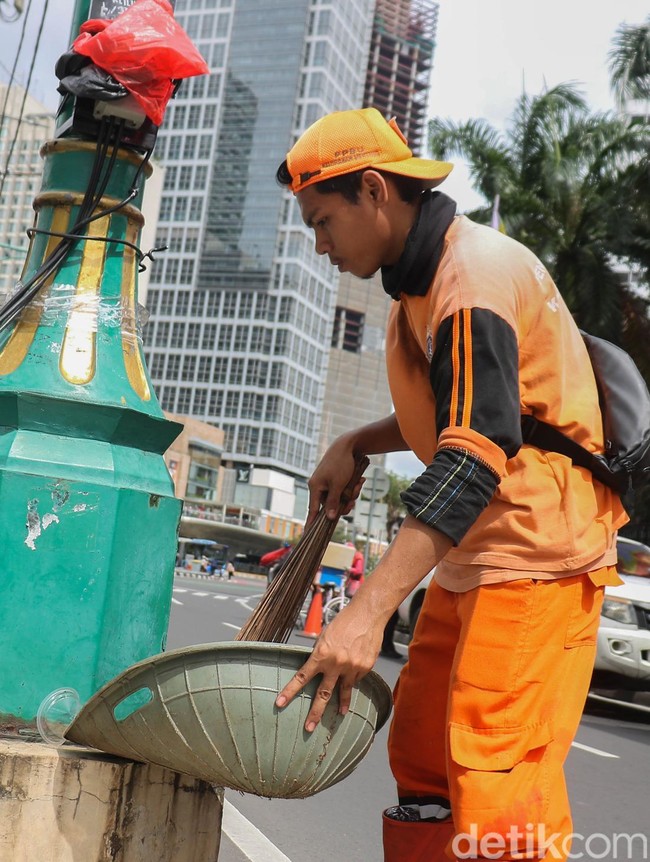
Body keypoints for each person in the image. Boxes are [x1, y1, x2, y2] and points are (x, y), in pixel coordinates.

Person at [273, 108, 628, 862]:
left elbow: (474, 451)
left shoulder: (472, 279)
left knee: (497, 794)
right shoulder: (424, 284)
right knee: (427, 767)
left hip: (536, 560)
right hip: (479, 558)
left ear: (374, 190)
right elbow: (465, 409)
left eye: (323, 221)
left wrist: (366, 615)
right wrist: (357, 441)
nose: (320, 244)